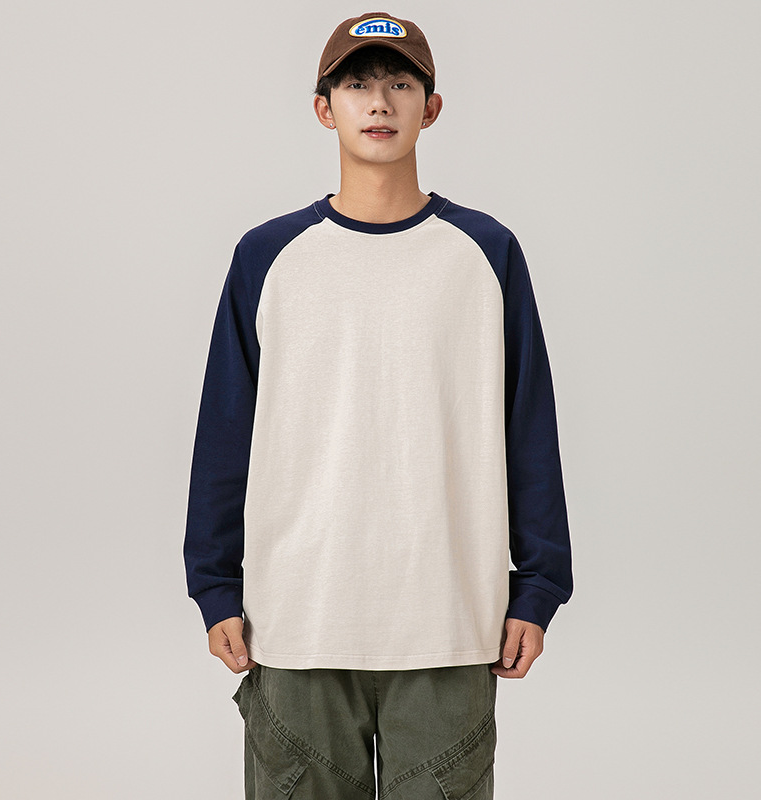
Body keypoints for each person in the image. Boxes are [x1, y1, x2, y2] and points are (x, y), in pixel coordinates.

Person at [183, 11, 573, 799]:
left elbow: (527, 427)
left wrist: (538, 587)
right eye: (357, 84)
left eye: (400, 83)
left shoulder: (486, 253)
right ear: (323, 108)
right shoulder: (267, 256)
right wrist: (214, 584)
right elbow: (226, 432)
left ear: (432, 107)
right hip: (297, 622)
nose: (380, 102)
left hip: (449, 622)